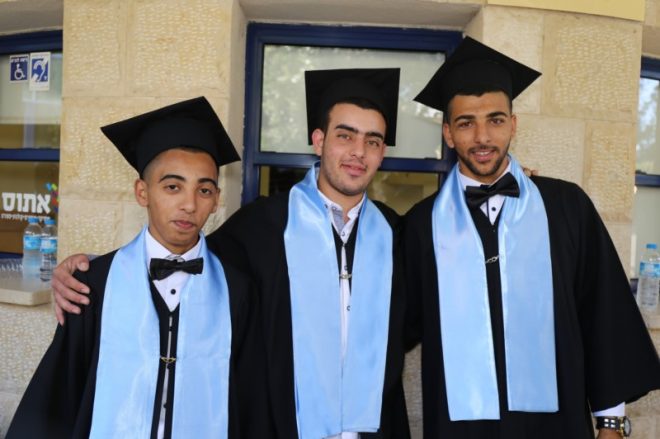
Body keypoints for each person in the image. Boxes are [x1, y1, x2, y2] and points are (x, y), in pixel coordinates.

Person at [50, 69, 410, 438]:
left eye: (372, 141)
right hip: (284, 427)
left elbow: (417, 318)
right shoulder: (262, 225)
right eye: (345, 135)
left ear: (382, 152)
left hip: (374, 427)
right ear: (319, 141)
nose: (358, 152)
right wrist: (91, 268)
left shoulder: (395, 233)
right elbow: (183, 256)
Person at [403, 36, 660, 439]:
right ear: (448, 133)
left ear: (514, 124)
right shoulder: (421, 225)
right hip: (461, 429)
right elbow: (392, 326)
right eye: (466, 123)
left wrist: (611, 423)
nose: (482, 137)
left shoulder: (566, 207)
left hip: (556, 427)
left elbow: (603, 315)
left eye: (495, 120)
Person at [7, 97, 271, 439]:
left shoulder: (238, 291)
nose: (189, 204)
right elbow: (59, 395)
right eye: (173, 187)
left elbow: (251, 401)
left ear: (216, 199)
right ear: (142, 192)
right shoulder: (92, 285)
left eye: (204, 190)